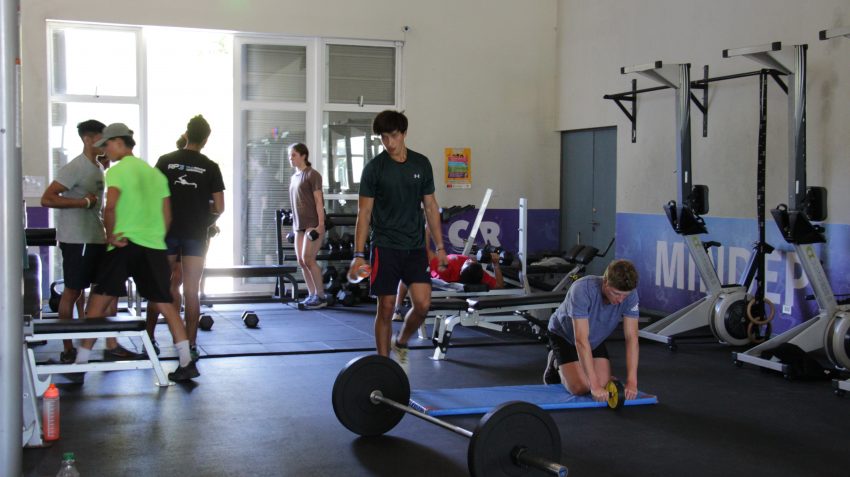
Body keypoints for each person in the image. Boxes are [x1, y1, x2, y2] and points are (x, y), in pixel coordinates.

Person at [76, 123, 199, 381]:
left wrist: (110, 234)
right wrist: (154, 237)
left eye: (107, 145)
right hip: (153, 247)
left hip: (123, 244)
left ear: (119, 143)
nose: (105, 151)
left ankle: (79, 364)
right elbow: (167, 215)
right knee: (166, 305)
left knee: (97, 304)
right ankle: (186, 363)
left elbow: (110, 207)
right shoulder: (155, 175)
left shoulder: (118, 170)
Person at [349, 110, 448, 371]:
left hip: (415, 247)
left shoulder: (421, 164)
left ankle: (401, 341)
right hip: (385, 246)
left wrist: (440, 247)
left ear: (404, 133)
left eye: (393, 136)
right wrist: (358, 254)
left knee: (423, 305)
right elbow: (364, 213)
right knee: (386, 307)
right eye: (384, 137)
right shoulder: (374, 169)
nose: (389, 143)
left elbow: (430, 206)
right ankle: (384, 368)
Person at [40, 119, 134, 363]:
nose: (105, 143)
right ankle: (68, 349)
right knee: (72, 292)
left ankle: (105, 344)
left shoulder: (99, 167)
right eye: (101, 138)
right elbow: (47, 198)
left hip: (95, 238)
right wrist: (82, 202)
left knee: (100, 291)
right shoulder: (76, 167)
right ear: (87, 139)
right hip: (77, 239)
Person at [144, 115, 224, 362]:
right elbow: (220, 207)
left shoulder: (165, 161)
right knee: (191, 291)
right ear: (206, 139)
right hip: (195, 235)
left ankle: (150, 339)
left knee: (160, 286)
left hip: (166, 232)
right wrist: (203, 220)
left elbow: (150, 196)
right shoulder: (210, 166)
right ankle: (190, 345)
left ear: (186, 134)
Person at [543, 259, 640, 402]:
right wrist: (594, 385)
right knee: (582, 387)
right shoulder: (582, 289)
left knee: (603, 383)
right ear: (605, 282)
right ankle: (555, 363)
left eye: (624, 295)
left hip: (594, 337)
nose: (620, 300)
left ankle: (577, 370)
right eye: (616, 293)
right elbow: (581, 340)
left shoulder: (630, 295)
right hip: (564, 335)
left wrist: (632, 381)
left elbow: (632, 338)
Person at [392, 229, 504, 321]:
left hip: (429, 268)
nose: (470, 260)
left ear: (461, 270)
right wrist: (495, 264)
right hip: (449, 276)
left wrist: (428, 229)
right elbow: (499, 285)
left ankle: (397, 310)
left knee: (407, 275)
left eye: (469, 262)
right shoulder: (478, 273)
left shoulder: (447, 269)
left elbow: (426, 250)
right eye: (472, 261)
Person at [288, 143, 327, 309]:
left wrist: (321, 225)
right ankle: (312, 295)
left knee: (308, 259)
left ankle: (321, 296)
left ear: (303, 156)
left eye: (294, 155)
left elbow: (319, 201)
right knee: (301, 261)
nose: (291, 158)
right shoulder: (294, 177)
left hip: (312, 223)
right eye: (290, 155)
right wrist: (293, 227)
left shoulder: (312, 175)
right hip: (299, 225)